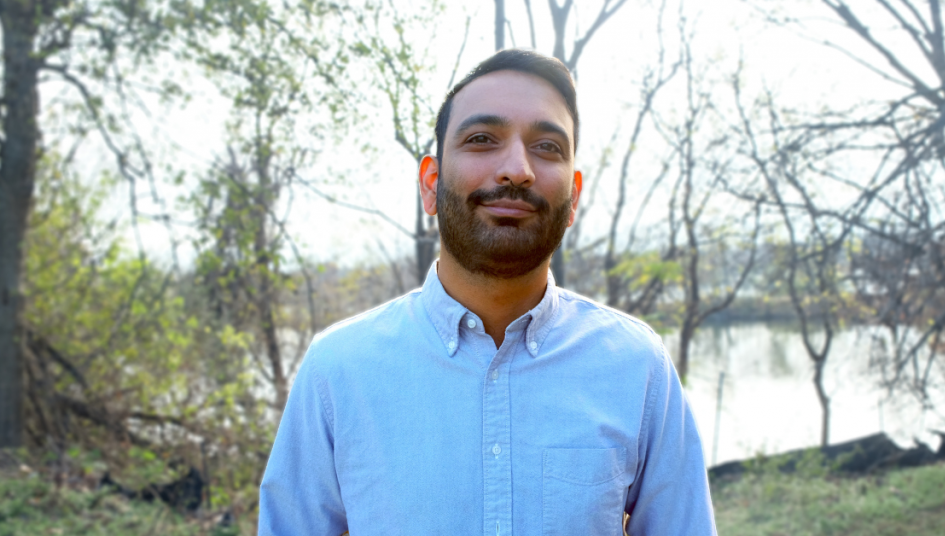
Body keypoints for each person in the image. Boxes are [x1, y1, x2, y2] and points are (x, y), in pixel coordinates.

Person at [258, 49, 717, 535]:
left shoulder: (636, 366)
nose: (517, 168)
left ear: (574, 198)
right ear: (431, 185)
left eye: (547, 147)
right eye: (482, 139)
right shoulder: (338, 371)